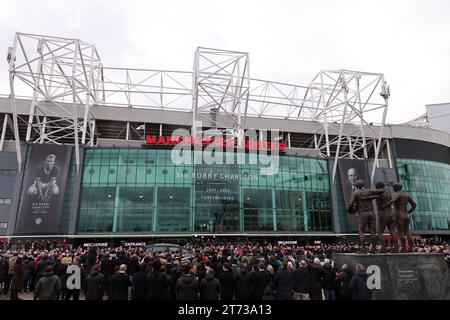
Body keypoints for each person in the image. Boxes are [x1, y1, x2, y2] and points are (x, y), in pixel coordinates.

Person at [347, 180, 383, 253]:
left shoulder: (356, 193)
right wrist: (371, 197)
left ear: (356, 186)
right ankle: (374, 249)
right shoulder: (369, 191)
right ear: (363, 185)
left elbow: (351, 202)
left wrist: (349, 209)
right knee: (373, 232)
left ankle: (363, 249)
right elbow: (380, 192)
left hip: (362, 214)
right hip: (371, 213)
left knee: (361, 231)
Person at [391, 183, 417, 252]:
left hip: (399, 215)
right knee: (407, 232)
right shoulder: (406, 195)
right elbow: (414, 205)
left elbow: (392, 200)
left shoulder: (396, 194)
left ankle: (404, 248)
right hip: (406, 215)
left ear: (394, 188)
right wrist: (409, 211)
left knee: (401, 232)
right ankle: (411, 248)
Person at [374, 181, 399, 253]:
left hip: (383, 213)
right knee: (392, 230)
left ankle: (383, 248)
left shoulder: (379, 192)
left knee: (379, 231)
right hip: (391, 213)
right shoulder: (388, 190)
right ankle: (396, 247)